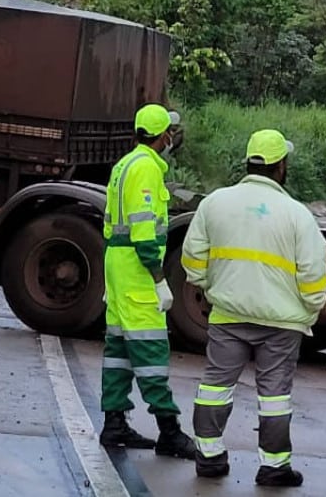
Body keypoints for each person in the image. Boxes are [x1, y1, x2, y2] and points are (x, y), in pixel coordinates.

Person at [180, 129, 326, 488]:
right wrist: (310, 310)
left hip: (228, 315)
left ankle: (209, 457)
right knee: (275, 395)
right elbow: (313, 273)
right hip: (281, 323)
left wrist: (210, 287)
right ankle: (274, 466)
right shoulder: (297, 215)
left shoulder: (214, 203)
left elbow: (192, 260)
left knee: (215, 385)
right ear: (281, 166)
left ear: (248, 162)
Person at [98, 103, 194, 459]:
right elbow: (142, 232)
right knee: (150, 350)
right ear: (161, 136)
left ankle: (114, 422)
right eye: (170, 131)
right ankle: (169, 431)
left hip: (117, 263)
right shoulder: (147, 170)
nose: (173, 137)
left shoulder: (125, 164)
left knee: (119, 349)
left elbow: (111, 225)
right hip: (137, 269)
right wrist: (158, 278)